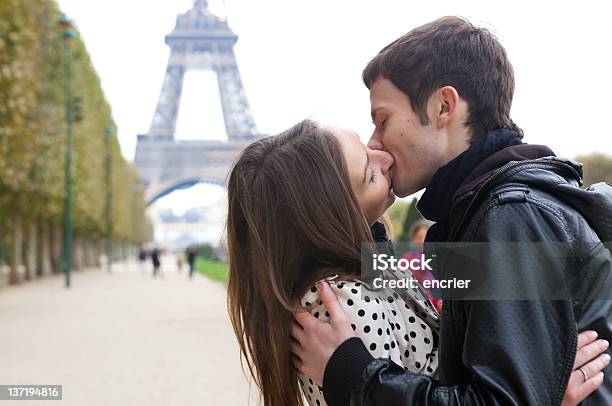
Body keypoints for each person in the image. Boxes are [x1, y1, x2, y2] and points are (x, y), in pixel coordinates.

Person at [290, 16, 612, 405]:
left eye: (382, 119)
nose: (377, 142)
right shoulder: (484, 212)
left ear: (444, 106)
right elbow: (411, 276)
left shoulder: (511, 214)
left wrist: (357, 375)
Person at [226, 120, 607, 406]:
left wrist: (538, 376)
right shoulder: (342, 304)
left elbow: (524, 274)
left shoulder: (373, 267)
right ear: (331, 217)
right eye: (369, 172)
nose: (385, 156)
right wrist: (540, 397)